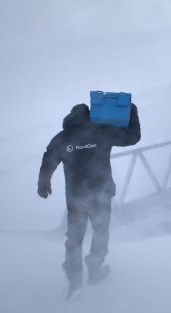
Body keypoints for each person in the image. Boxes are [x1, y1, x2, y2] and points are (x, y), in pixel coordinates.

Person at [38, 102, 141, 297]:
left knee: (74, 238)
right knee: (100, 231)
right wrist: (132, 111)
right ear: (89, 116)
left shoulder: (61, 138)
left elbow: (48, 159)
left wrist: (43, 183)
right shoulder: (101, 131)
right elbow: (133, 137)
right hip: (100, 194)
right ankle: (94, 269)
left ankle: (75, 282)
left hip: (76, 197)